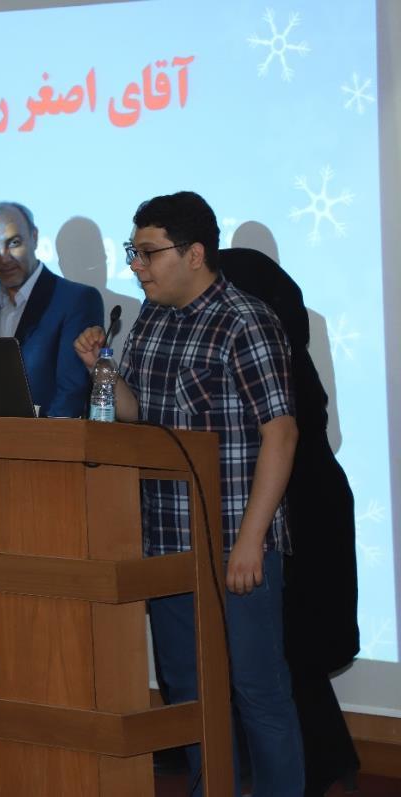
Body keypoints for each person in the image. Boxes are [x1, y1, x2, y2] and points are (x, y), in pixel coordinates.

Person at [73, 192, 303, 795]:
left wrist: (251, 540)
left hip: (234, 544)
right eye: (133, 252)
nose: (136, 265)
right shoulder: (151, 317)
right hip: (166, 544)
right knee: (188, 693)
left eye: (147, 253)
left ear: (195, 254)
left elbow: (281, 434)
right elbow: (136, 414)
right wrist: (101, 370)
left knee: (257, 691)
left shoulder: (245, 321)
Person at [220, 247, 359, 796]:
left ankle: (313, 769)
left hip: (294, 512)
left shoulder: (268, 356)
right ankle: (328, 761)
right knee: (289, 654)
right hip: (304, 506)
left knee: (286, 653)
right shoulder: (287, 350)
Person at [0, 201, 103, 508]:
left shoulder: (76, 300)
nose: (3, 257)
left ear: (35, 237)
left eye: (14, 242)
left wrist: (32, 460)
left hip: (51, 475)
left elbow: (70, 392)